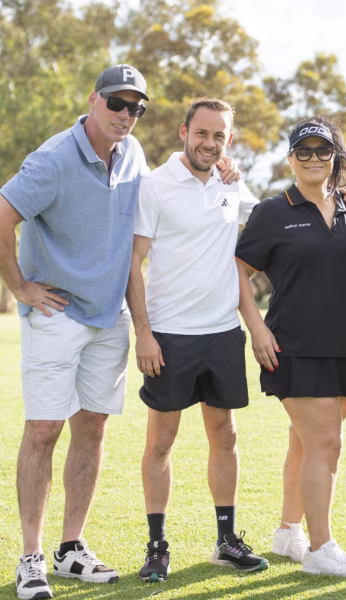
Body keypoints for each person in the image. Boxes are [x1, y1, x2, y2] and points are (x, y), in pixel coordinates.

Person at [0, 64, 148, 600]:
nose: (126, 115)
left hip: (109, 317)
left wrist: (221, 165)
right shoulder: (54, 159)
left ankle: (70, 549)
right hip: (56, 314)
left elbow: (166, 193)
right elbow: (2, 215)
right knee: (43, 430)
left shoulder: (133, 154)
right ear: (93, 100)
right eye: (117, 103)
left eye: (136, 108)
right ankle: (31, 557)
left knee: (92, 428)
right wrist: (20, 288)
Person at [126, 97, 269, 580]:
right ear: (184, 132)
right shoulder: (155, 185)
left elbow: (273, 219)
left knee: (225, 435)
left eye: (219, 136)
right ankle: (157, 547)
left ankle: (226, 542)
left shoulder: (232, 184)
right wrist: (143, 333)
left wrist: (339, 198)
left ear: (228, 141)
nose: (209, 143)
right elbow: (134, 263)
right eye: (202, 133)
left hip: (223, 333)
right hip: (169, 336)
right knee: (161, 442)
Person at [235, 116, 346, 578]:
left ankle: (287, 531)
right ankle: (320, 549)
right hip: (294, 345)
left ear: (335, 157)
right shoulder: (272, 212)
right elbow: (238, 270)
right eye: (304, 151)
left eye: (323, 150)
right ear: (291, 159)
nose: (314, 158)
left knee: (305, 442)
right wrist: (256, 328)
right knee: (325, 442)